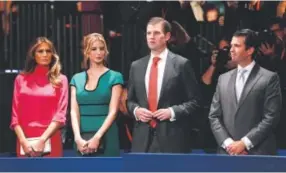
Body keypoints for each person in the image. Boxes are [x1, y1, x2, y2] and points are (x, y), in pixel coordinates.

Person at [127, 17, 201, 153]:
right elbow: (130, 101)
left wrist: (172, 112)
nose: (151, 37)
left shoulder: (181, 64)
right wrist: (136, 111)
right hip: (142, 141)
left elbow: (195, 101)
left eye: (156, 33)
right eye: (149, 33)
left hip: (172, 139)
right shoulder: (136, 66)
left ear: (167, 36)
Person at [209, 29, 282, 155]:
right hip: (227, 153)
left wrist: (244, 143)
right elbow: (214, 116)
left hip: (257, 153)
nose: (231, 50)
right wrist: (229, 144)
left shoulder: (269, 78)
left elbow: (271, 117)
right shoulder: (223, 79)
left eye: (237, 46)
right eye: (231, 45)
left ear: (250, 50)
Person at [10, 37, 68, 157]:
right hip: (25, 142)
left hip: (51, 139)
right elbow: (15, 117)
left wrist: (42, 140)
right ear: (33, 54)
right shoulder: (21, 79)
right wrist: (23, 141)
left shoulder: (61, 80)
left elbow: (60, 115)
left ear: (52, 54)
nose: (45, 54)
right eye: (40, 51)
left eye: (48, 51)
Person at [70, 33, 123, 156]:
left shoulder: (115, 77)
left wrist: (97, 137)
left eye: (101, 48)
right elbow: (73, 111)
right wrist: (77, 138)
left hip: (107, 135)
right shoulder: (76, 79)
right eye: (94, 49)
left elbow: (113, 111)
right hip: (81, 138)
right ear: (87, 52)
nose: (98, 52)